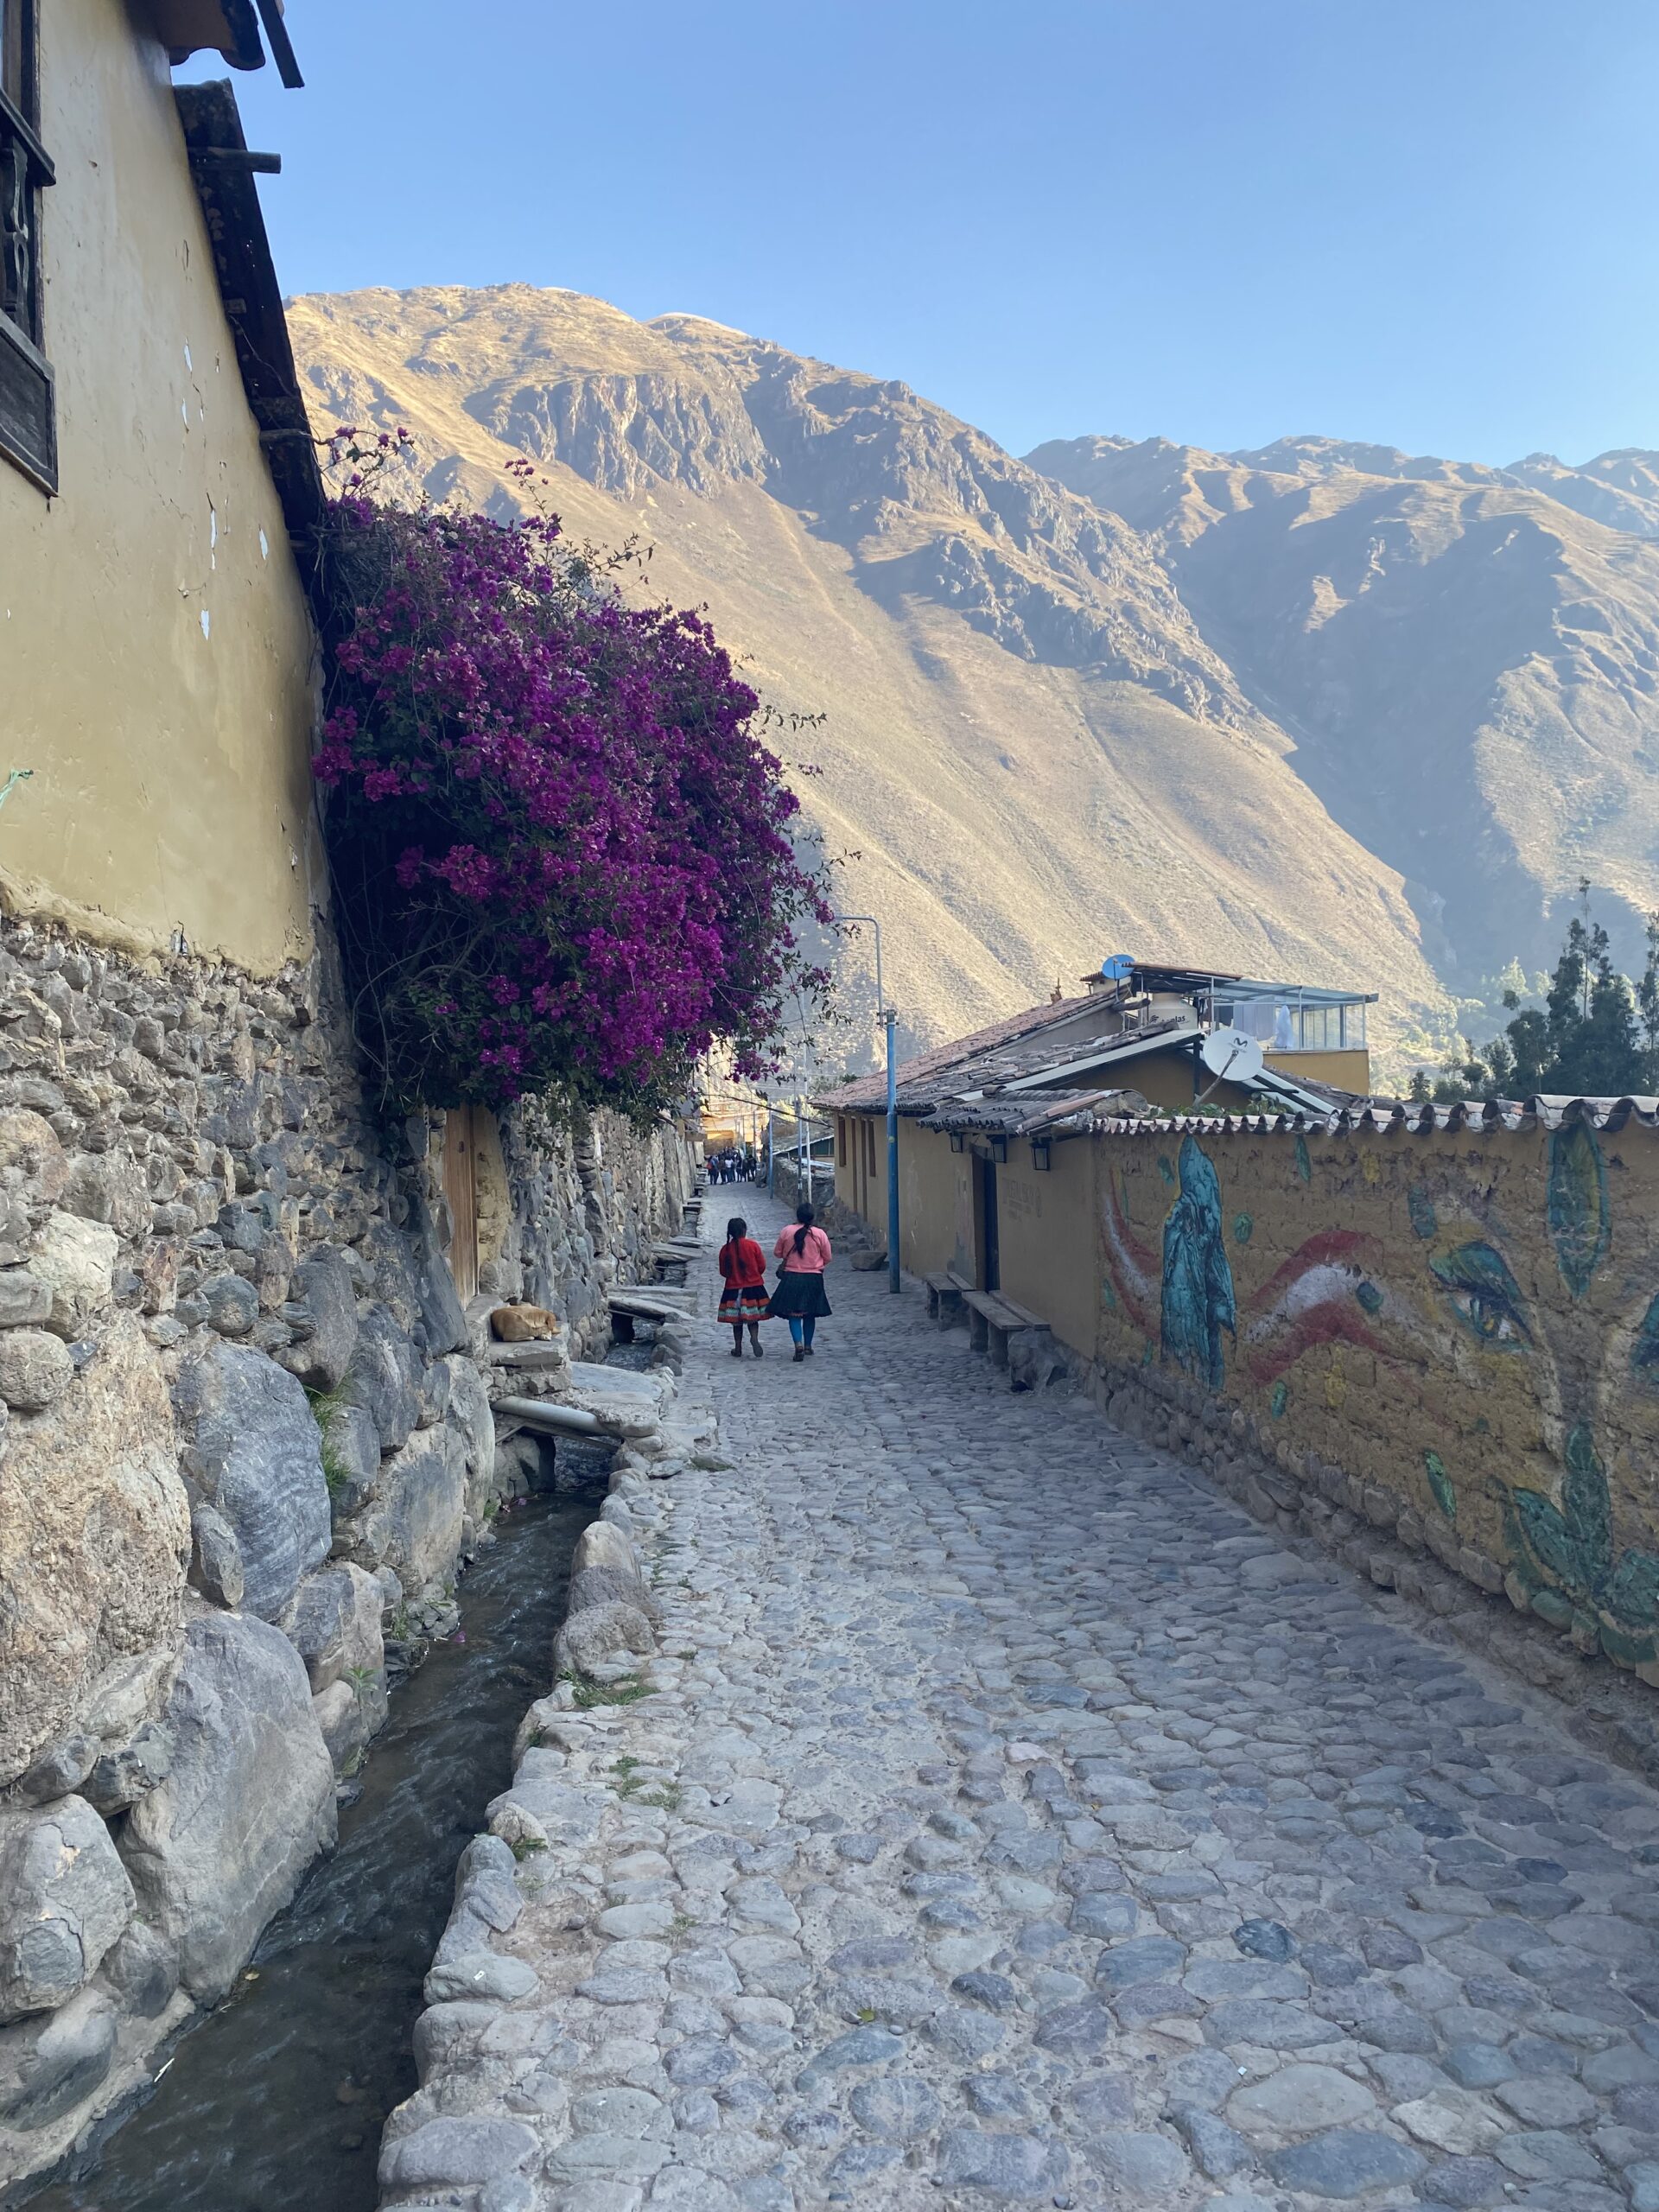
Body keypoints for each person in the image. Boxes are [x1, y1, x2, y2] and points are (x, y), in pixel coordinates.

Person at [767, 1201, 832, 1362]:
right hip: (814, 1278)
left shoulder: (787, 1231)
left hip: (792, 1278)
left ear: (798, 1215)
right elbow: (828, 1257)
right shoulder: (820, 1234)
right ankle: (808, 1345)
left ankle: (798, 1344)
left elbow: (777, 1253)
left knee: (794, 1313)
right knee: (810, 1313)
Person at [717, 1215, 768, 1357]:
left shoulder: (725, 1250)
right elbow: (762, 1266)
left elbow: (723, 1272)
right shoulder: (753, 1246)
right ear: (744, 1230)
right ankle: (754, 1338)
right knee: (753, 1318)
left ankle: (738, 1348)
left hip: (732, 1290)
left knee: (736, 1323)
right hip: (753, 1289)